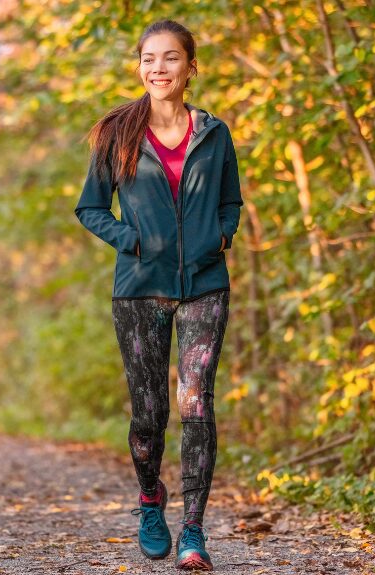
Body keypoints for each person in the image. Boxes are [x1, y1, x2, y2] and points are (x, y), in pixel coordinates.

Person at [74, 20, 243, 571]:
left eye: (171, 58)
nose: (159, 68)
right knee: (149, 413)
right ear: (139, 66)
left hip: (204, 285)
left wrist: (220, 236)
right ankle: (151, 498)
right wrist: (135, 241)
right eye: (149, 59)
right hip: (140, 291)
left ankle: (193, 531)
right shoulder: (117, 134)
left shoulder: (214, 134)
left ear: (191, 66)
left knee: (196, 404)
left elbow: (231, 202)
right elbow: (91, 208)